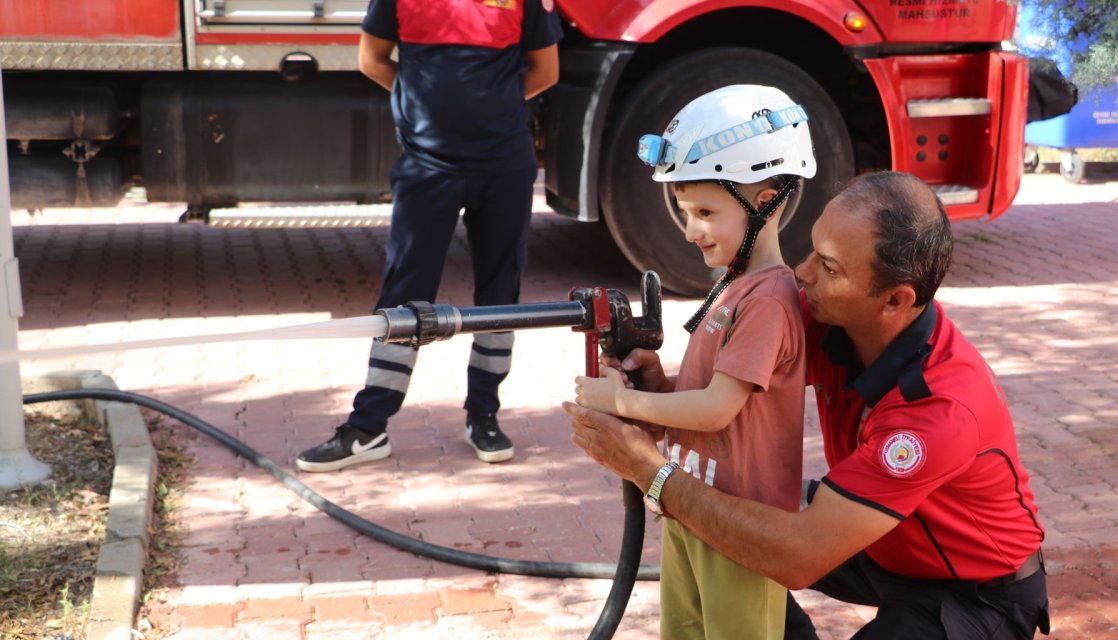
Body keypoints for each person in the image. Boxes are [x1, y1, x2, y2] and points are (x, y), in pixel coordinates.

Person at [566, 171, 1051, 639]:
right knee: (735, 512)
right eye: (812, 249)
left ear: (894, 300)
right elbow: (732, 393)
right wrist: (661, 388)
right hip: (880, 540)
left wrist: (650, 472)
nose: (802, 272)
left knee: (750, 531)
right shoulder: (831, 318)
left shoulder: (938, 412)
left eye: (829, 266)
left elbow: (799, 558)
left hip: (972, 591)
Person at [575, 84, 816, 639]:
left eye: (705, 211)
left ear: (765, 201)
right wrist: (657, 386)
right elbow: (708, 388)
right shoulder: (734, 287)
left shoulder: (769, 300)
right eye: (685, 211)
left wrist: (620, 400)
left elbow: (715, 411)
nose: (690, 230)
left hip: (740, 530)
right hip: (692, 509)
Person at [297, 0, 562, 472]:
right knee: (404, 296)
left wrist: (492, 107)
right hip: (427, 166)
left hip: (503, 164)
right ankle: (369, 428)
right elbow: (371, 59)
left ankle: (484, 415)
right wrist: (419, 102)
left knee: (501, 295)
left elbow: (545, 72)